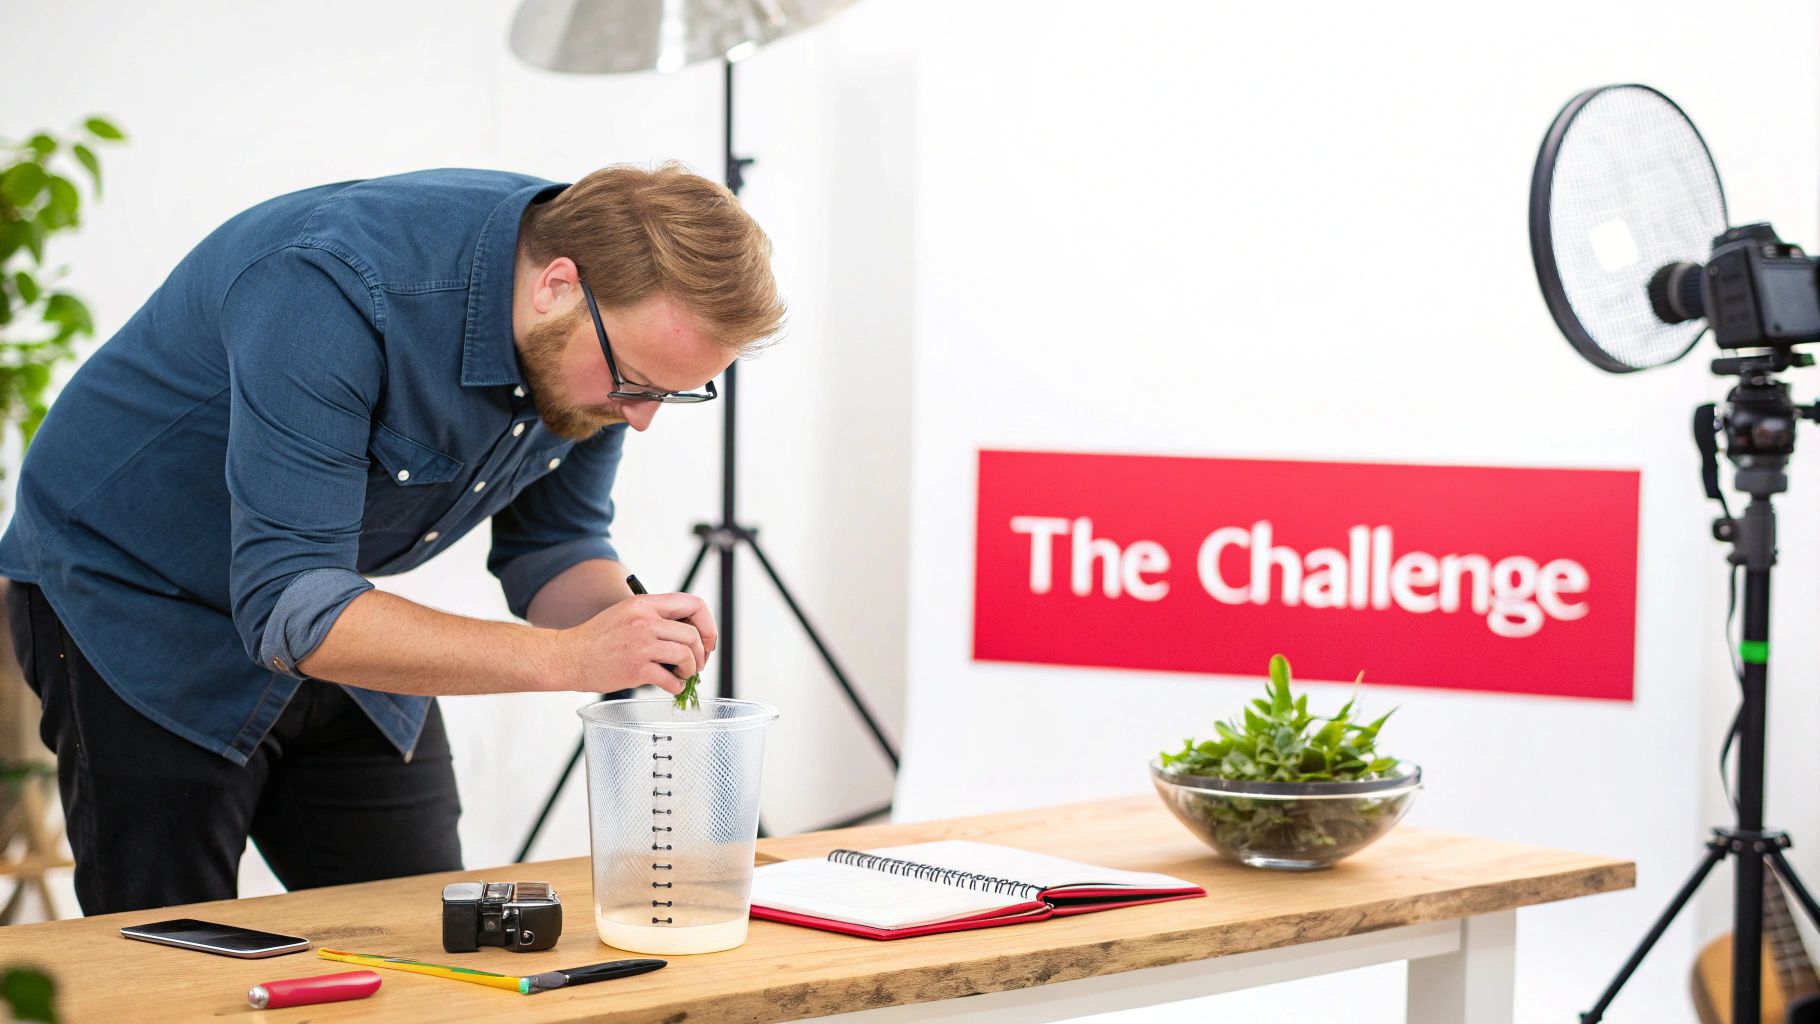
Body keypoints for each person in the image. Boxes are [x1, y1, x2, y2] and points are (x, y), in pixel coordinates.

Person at [0, 162, 784, 914]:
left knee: (430, 935)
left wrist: (628, 631)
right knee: (168, 965)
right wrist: (568, 659)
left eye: (672, 396)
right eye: (637, 385)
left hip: (329, 598)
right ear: (558, 288)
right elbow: (289, 606)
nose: (640, 416)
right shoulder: (326, 285)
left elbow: (554, 545)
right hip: (132, 598)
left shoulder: (601, 340)